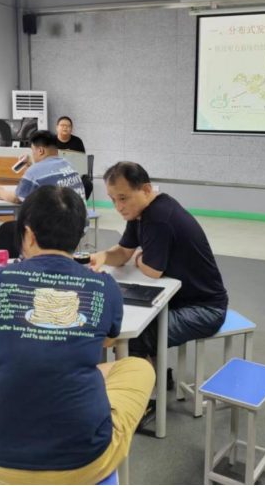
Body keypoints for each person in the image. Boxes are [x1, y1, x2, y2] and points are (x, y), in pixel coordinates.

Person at [0, 186, 155, 485]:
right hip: (83, 463)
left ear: (28, 235)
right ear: (78, 236)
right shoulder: (103, 285)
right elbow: (106, 341)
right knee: (138, 368)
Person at [90, 162, 228, 421]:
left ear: (145, 189)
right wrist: (103, 256)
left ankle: (143, 403)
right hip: (180, 301)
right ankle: (157, 376)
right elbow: (123, 252)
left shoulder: (159, 218)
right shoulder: (140, 212)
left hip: (205, 310)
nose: (118, 206)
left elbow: (153, 270)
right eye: (112, 199)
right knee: (139, 325)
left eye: (123, 198)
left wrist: (139, 259)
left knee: (135, 336)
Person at [0, 131, 86, 258]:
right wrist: (31, 167)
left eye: (32, 149)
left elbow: (16, 198)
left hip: (54, 232)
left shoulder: (35, 171)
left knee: (7, 229)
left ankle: (14, 266)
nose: (32, 153)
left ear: (41, 150)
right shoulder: (69, 165)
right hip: (78, 228)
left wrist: (0, 192)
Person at [55, 116, 93, 200]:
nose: (65, 127)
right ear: (57, 127)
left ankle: (80, 204)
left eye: (68, 126)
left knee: (87, 184)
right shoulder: (51, 141)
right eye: (62, 125)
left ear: (71, 129)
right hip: (56, 172)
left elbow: (82, 160)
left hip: (75, 172)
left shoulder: (77, 141)